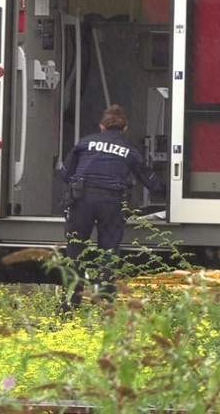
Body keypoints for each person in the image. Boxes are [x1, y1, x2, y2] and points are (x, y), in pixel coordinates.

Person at [59, 104, 163, 311]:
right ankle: (105, 300)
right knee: (108, 250)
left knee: (76, 250)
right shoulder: (130, 150)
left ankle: (71, 302)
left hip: (82, 201)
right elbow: (150, 181)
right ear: (125, 129)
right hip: (111, 202)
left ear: (102, 127)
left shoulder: (85, 143)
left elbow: (65, 174)